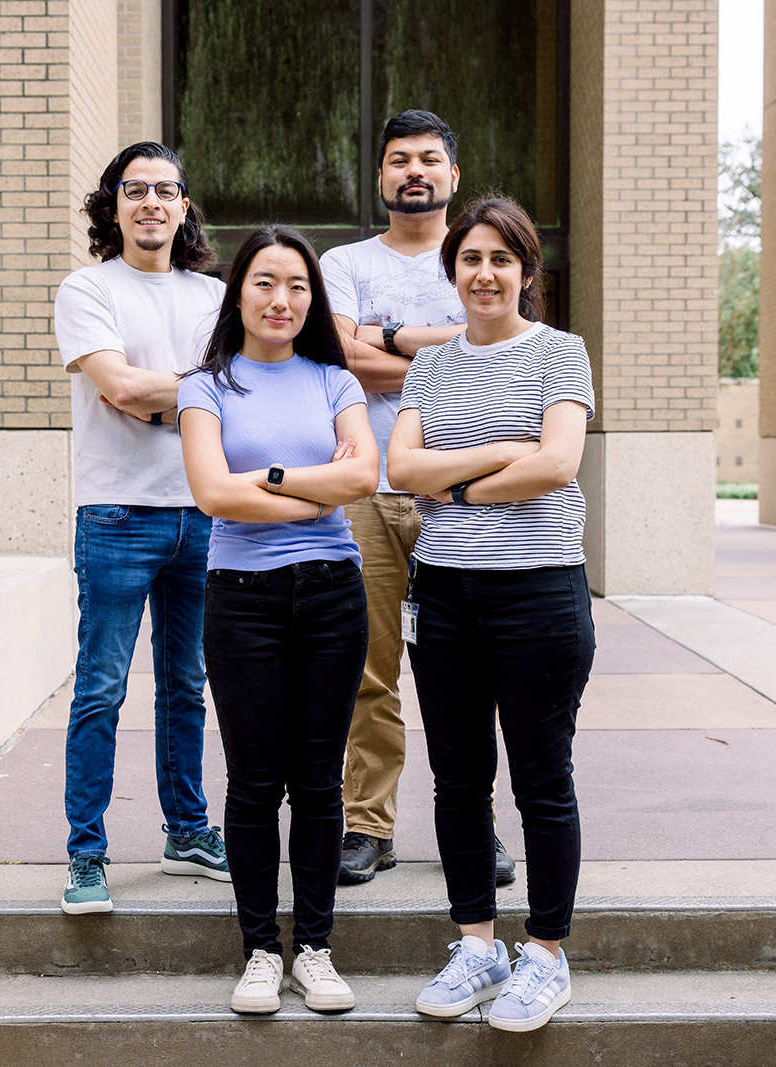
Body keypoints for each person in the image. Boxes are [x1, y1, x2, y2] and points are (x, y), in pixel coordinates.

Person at [387, 197, 596, 1033]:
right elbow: (402, 466)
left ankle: (545, 953)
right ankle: (476, 941)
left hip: (539, 592)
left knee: (543, 780)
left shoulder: (561, 354)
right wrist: (502, 453)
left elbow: (557, 463)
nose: (484, 273)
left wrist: (460, 484)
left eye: (501, 259)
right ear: (453, 271)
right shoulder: (430, 367)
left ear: (526, 271)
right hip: (443, 595)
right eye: (470, 258)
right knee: (459, 778)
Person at [177, 225, 378, 1014]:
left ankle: (316, 949)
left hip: (333, 593)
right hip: (243, 598)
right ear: (240, 292)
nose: (281, 298)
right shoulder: (206, 386)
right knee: (257, 782)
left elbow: (363, 474)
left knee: (320, 781)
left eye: (296, 284)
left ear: (311, 297)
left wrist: (266, 473)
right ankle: (262, 949)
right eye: (265, 281)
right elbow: (214, 495)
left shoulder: (335, 379)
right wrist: (311, 484)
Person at [319, 109, 516, 887]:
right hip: (367, 486)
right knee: (368, 668)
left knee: (471, 670)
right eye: (399, 159)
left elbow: (503, 343)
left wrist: (391, 337)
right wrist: (448, 346)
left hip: (465, 493)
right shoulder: (344, 261)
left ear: (453, 175)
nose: (414, 172)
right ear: (381, 175)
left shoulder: (477, 255)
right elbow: (337, 356)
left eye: (429, 159)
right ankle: (368, 826)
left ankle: (476, 825)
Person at [50, 142, 230, 915]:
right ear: (113, 205)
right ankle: (86, 856)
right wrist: (199, 392)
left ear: (184, 205)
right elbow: (119, 387)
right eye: (135, 190)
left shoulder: (216, 296)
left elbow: (241, 390)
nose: (151, 202)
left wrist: (170, 396)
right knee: (100, 688)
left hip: (202, 512)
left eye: (165, 190)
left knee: (188, 685)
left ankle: (186, 830)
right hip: (117, 514)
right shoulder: (87, 289)